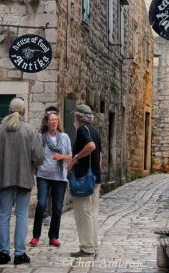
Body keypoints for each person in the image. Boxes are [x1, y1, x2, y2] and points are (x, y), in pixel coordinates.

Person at [0, 97, 44, 265]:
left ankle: (3, 253)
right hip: (24, 178)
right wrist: (29, 167)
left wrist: (2, 166)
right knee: (21, 215)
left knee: (4, 215)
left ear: (9, 111)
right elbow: (39, 156)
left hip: (4, 177)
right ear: (24, 111)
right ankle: (20, 253)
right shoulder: (29, 130)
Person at [29, 111, 72, 247]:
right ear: (46, 123)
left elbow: (71, 156)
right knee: (41, 204)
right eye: (51, 120)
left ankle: (53, 236)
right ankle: (36, 236)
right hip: (43, 176)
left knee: (57, 208)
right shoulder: (41, 137)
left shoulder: (65, 137)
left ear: (58, 123)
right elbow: (34, 154)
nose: (54, 122)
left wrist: (61, 157)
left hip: (59, 177)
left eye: (56, 120)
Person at [67, 104, 102, 258]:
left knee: (83, 213)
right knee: (92, 213)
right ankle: (93, 244)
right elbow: (99, 156)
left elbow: (91, 146)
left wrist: (75, 158)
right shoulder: (95, 131)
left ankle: (87, 247)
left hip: (84, 178)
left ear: (78, 117)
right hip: (94, 178)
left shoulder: (82, 130)